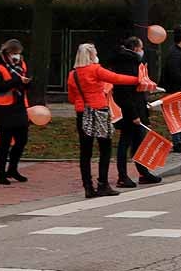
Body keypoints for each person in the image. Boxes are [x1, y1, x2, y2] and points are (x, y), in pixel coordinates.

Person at [67, 43, 140, 198]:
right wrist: (138, 79)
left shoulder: (72, 74)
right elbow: (116, 78)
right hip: (99, 111)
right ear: (91, 55)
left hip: (82, 113)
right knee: (105, 148)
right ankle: (103, 184)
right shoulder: (95, 70)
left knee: (85, 151)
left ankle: (88, 186)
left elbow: (72, 98)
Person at [111, 36, 161, 187]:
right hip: (130, 112)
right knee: (125, 143)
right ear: (134, 49)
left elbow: (136, 89)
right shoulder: (127, 64)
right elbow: (124, 92)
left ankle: (143, 173)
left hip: (137, 108)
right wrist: (133, 114)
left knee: (139, 143)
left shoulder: (132, 63)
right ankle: (122, 176)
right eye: (140, 48)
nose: (142, 51)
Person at [0, 39, 31, 185]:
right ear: (6, 52)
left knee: (22, 140)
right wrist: (17, 81)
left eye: (18, 53)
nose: (16, 56)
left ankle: (12, 168)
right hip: (2, 109)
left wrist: (27, 83)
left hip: (18, 107)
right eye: (13, 53)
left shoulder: (21, 65)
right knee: (4, 143)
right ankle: (0, 174)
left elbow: (24, 84)